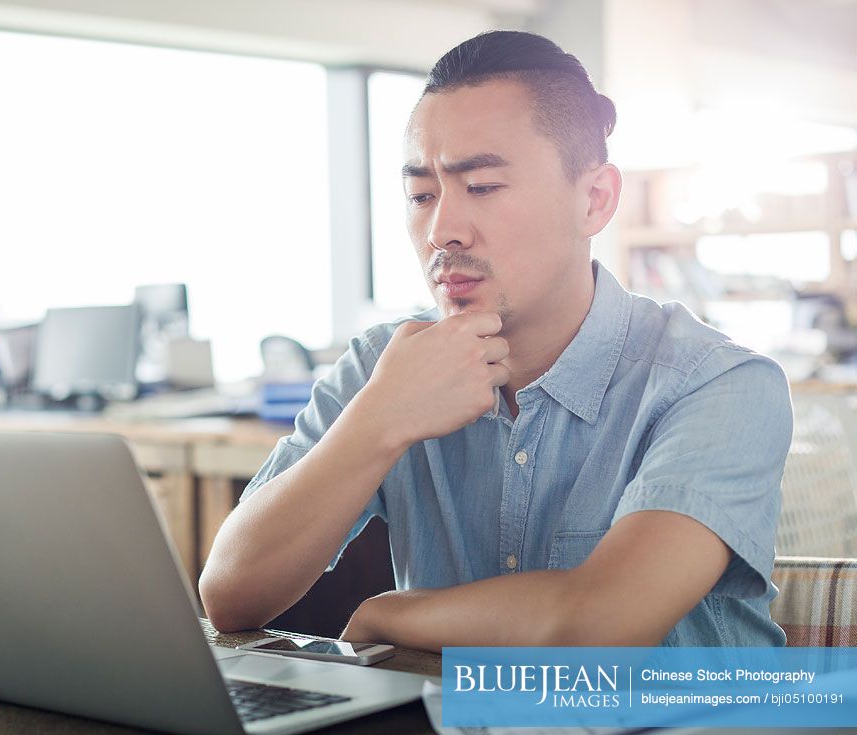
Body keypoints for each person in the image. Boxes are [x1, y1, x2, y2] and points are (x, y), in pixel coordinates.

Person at [198, 30, 793, 649]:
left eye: (481, 187)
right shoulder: (385, 364)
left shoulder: (719, 385)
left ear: (594, 200)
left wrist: (387, 617)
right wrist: (378, 421)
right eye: (421, 195)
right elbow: (232, 595)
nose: (441, 231)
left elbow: (598, 624)